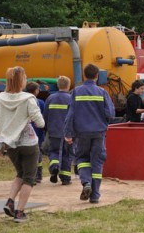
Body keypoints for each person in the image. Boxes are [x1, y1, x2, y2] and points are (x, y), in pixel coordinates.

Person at [0, 66, 44, 223]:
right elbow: (40, 123)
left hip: (10, 145)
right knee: (29, 178)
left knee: (20, 174)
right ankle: (20, 212)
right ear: (22, 80)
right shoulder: (28, 99)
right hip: (28, 143)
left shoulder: (0, 99)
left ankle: (10, 201)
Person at [64, 63, 115, 203]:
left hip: (81, 133)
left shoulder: (76, 91)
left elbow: (70, 114)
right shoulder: (102, 92)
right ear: (97, 76)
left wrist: (68, 133)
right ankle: (95, 196)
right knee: (97, 161)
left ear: (84, 75)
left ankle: (86, 182)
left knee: (81, 159)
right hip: (99, 132)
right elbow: (110, 113)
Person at [43, 76, 72, 185]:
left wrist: (46, 128)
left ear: (58, 85)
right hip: (67, 132)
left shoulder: (50, 98)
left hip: (54, 131)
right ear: (68, 86)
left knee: (54, 151)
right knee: (66, 154)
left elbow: (45, 115)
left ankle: (54, 166)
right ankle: (65, 178)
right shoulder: (71, 98)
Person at [25, 81, 45, 183]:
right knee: (38, 155)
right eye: (38, 89)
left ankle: (30, 176)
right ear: (35, 91)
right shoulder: (40, 103)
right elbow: (43, 117)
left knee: (28, 157)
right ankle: (38, 176)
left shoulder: (23, 102)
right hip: (38, 133)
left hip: (27, 134)